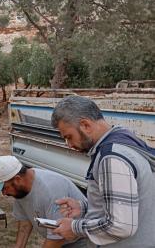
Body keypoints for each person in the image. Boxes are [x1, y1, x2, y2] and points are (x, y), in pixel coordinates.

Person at [51, 95, 155, 247]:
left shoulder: (111, 158)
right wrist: (85, 207)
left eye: (69, 137)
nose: (69, 144)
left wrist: (74, 228)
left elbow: (120, 226)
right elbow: (130, 204)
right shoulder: (124, 142)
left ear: (85, 125)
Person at [0, 155, 87, 248]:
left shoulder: (51, 190)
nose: (4, 193)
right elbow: (24, 223)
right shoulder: (20, 191)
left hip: (83, 240)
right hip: (62, 240)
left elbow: (57, 238)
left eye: (4, 188)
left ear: (17, 179)